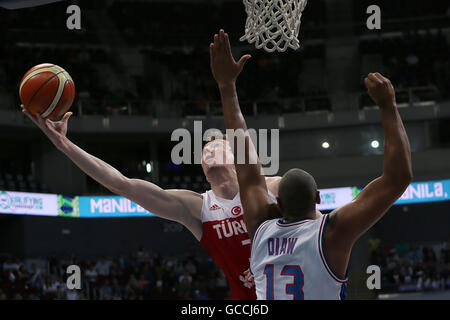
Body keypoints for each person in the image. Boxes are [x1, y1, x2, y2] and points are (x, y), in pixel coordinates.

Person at [21, 85, 285, 300]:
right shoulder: (196, 207)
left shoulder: (272, 187)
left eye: (216, 147)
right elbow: (120, 184)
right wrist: (64, 144)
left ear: (237, 158)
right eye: (204, 153)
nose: (207, 152)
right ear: (204, 172)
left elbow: (317, 225)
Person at [209, 29, 413, 300]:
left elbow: (247, 167)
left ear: (278, 204)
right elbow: (398, 178)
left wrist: (226, 86)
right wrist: (388, 106)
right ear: (317, 199)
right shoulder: (333, 232)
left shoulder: (260, 225)